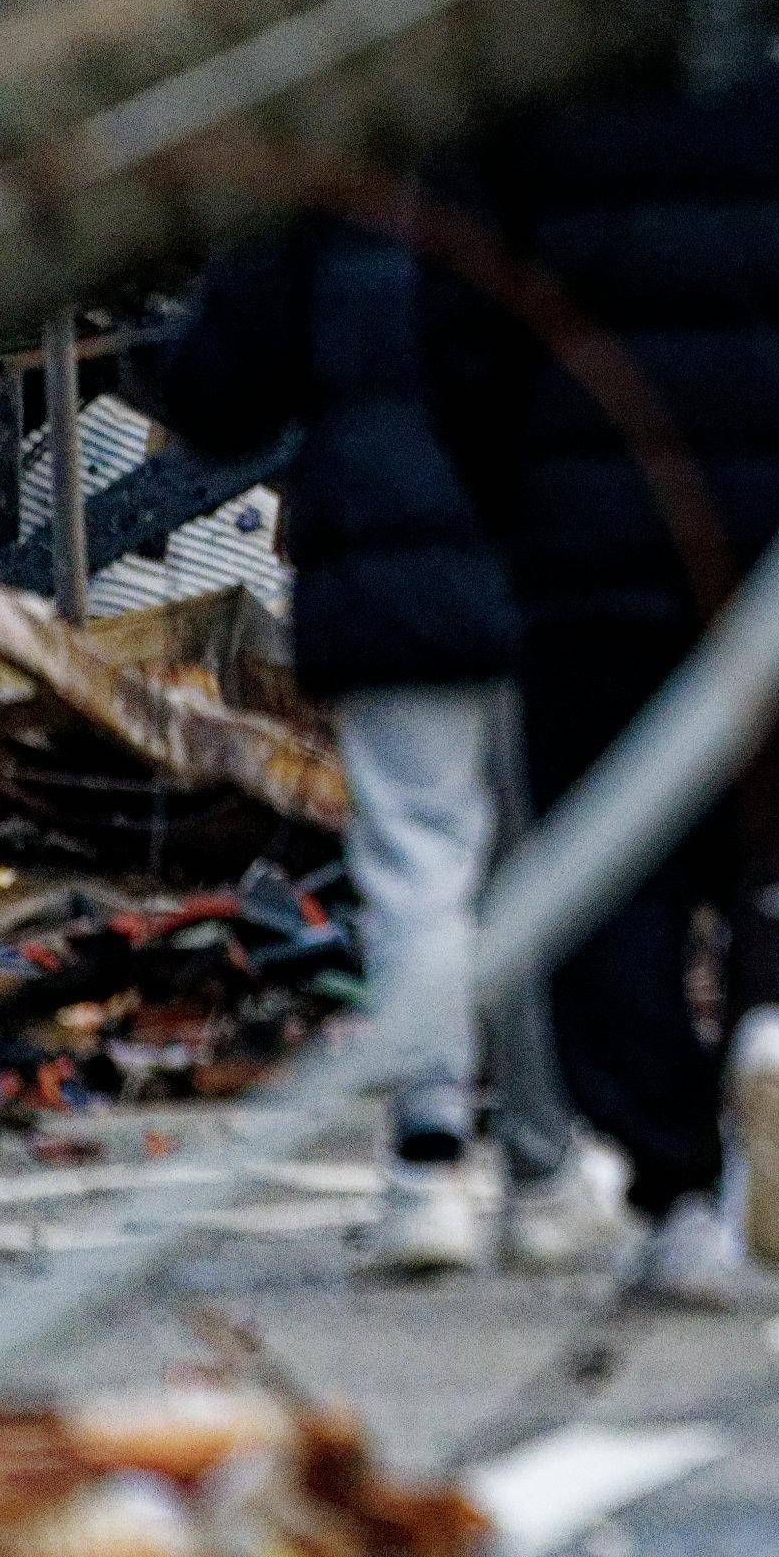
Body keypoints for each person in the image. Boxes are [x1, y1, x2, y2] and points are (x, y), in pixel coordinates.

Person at [450, 60, 779, 1304]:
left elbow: (464, 334)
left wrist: (511, 512)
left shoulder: (532, 118)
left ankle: (675, 1184)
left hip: (586, 560)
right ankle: (778, 1013)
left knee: (604, 870)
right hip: (775, 553)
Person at [146, 199, 627, 1278]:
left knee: (415, 863)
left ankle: (426, 1161)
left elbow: (217, 389)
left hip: (378, 567)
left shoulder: (320, 197)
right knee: (538, 860)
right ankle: (548, 1168)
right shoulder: (530, 162)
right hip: (534, 557)